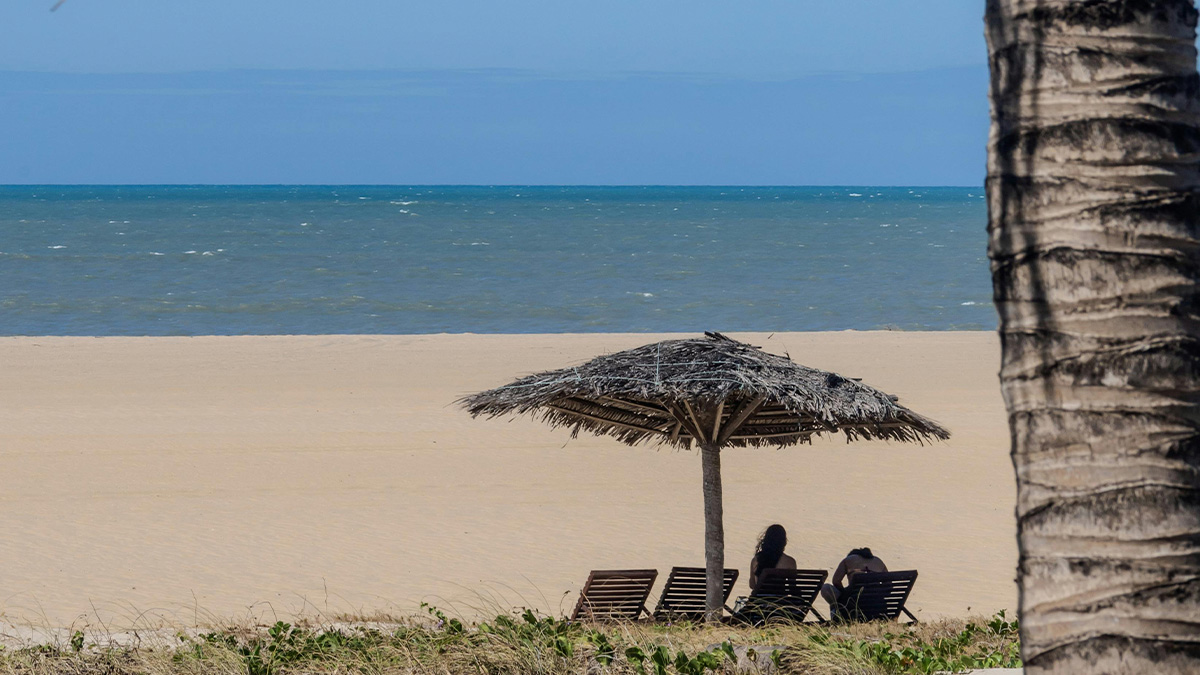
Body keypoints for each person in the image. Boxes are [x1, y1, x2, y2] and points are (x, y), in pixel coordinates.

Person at [820, 547, 888, 618]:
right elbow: (888, 585)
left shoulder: (848, 560)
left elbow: (836, 581)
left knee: (826, 588)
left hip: (853, 604)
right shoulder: (879, 562)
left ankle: (837, 617)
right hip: (878, 605)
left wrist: (844, 594)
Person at [748, 524, 797, 590]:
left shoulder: (756, 560)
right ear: (783, 542)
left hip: (760, 599)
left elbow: (752, 585)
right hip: (780, 599)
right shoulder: (790, 562)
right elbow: (792, 587)